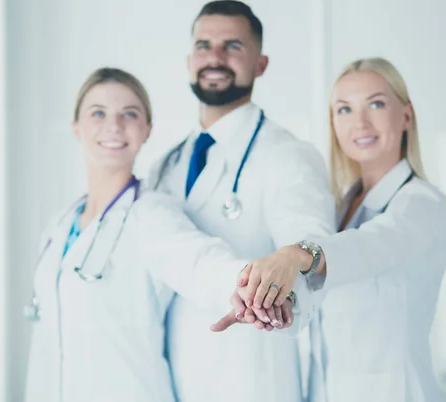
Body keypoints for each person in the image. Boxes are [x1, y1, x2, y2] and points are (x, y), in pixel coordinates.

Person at [23, 67, 301, 402]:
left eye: (130, 113)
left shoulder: (150, 213)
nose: (114, 125)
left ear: (146, 130)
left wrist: (252, 287)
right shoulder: (59, 224)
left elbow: (200, 262)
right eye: (98, 113)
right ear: (76, 127)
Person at [222, 57, 446, 402]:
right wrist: (273, 304)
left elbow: (373, 246)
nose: (359, 122)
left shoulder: (422, 203)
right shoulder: (343, 206)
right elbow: (325, 299)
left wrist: (294, 255)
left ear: (406, 115)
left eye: (375, 104)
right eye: (344, 110)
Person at [149, 1, 335, 401]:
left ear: (260, 63)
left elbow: (311, 243)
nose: (214, 57)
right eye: (204, 45)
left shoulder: (287, 153)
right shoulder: (167, 164)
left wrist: (280, 287)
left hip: (253, 379)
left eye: (232, 46)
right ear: (189, 59)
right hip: (175, 375)